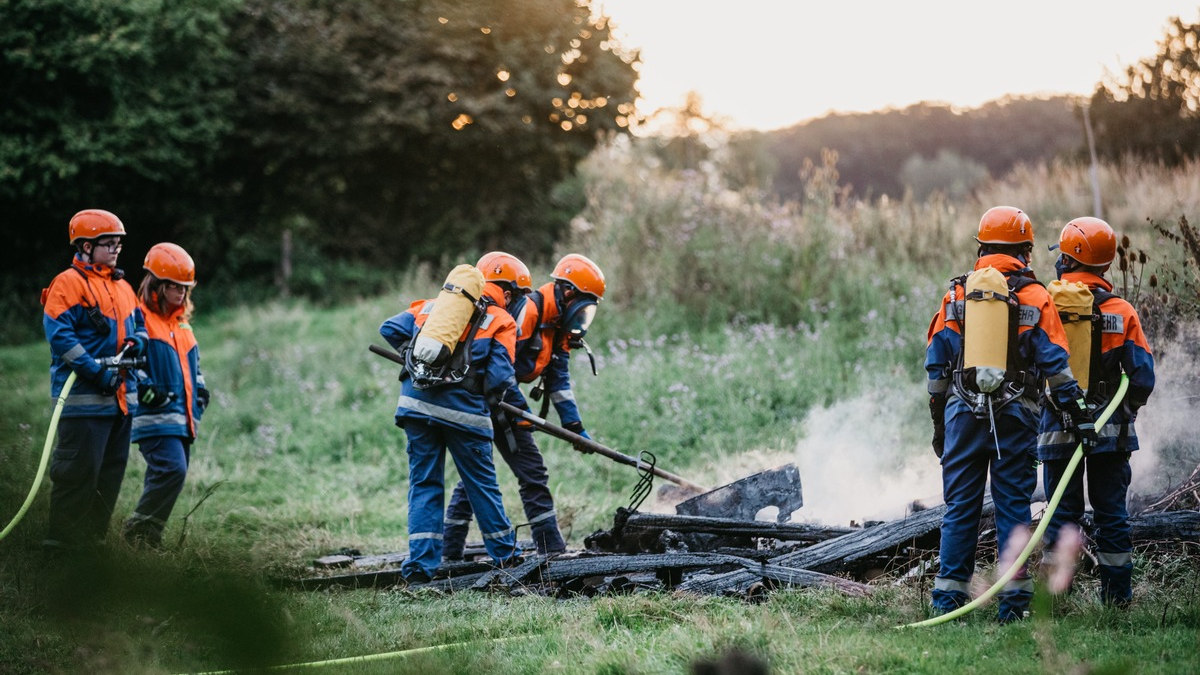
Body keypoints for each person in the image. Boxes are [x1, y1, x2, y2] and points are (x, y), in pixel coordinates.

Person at [925, 206, 1094, 621]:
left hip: (961, 414)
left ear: (982, 246)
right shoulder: (1036, 296)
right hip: (1016, 416)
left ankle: (948, 602)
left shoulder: (957, 295)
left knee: (960, 508)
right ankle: (1014, 606)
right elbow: (1056, 364)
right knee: (1014, 510)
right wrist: (1078, 413)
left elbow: (936, 365)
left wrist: (938, 422)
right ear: (1025, 250)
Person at [443, 252, 604, 560]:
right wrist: (521, 412)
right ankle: (550, 549)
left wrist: (575, 428)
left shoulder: (558, 328)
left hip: (505, 402)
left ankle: (451, 549)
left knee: (480, 474)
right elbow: (496, 365)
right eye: (585, 305)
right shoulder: (528, 310)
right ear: (569, 293)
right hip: (486, 400)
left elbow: (558, 381)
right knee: (516, 471)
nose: (585, 316)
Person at [1038, 217, 1155, 606]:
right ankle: (1117, 600)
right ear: (1105, 263)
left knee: (1061, 517)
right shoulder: (1122, 312)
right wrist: (1128, 410)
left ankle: (1057, 601)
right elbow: (1142, 376)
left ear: (1069, 259)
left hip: (1058, 427)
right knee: (1111, 515)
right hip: (1111, 431)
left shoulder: (1048, 305)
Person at [380, 265, 522, 582]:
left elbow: (388, 328)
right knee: (481, 486)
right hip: (464, 416)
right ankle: (506, 557)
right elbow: (501, 379)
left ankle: (419, 568)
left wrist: (411, 356)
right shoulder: (502, 320)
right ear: (506, 294)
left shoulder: (429, 307)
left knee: (424, 485)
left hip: (415, 406)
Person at [40, 209, 147, 552]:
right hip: (83, 401)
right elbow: (60, 338)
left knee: (109, 476)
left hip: (119, 403)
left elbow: (141, 327)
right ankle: (61, 548)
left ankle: (91, 545)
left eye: (118, 244)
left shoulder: (123, 287)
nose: (116, 249)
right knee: (77, 474)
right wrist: (97, 372)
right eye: (108, 244)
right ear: (86, 246)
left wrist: (138, 341)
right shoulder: (68, 283)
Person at [123, 243, 210, 548]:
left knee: (170, 473)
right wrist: (147, 391)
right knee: (172, 469)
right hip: (154, 417)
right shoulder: (140, 319)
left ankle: (147, 537)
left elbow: (194, 367)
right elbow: (131, 364)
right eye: (175, 287)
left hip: (183, 417)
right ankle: (138, 530)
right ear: (157, 286)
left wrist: (200, 392)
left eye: (186, 289)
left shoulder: (182, 325)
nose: (182, 295)